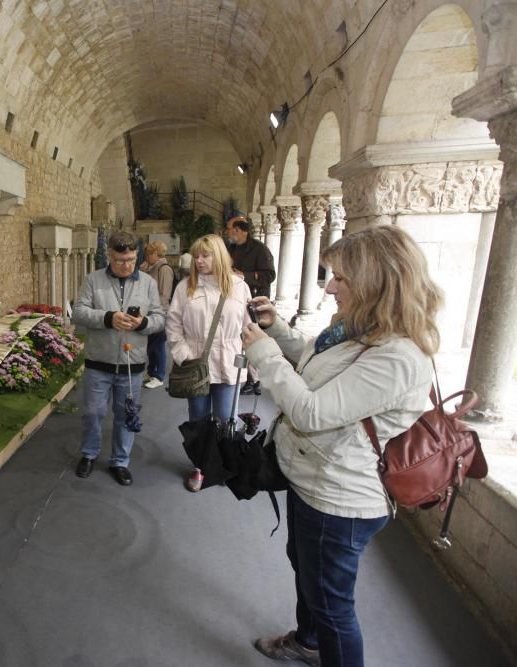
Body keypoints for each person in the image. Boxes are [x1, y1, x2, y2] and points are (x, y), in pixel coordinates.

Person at [242, 225, 441, 667]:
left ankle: (319, 642)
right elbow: (316, 368)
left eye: (341, 278)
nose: (329, 286)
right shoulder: (358, 330)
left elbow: (311, 411)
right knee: (306, 569)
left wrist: (263, 354)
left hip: (340, 499)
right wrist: (277, 332)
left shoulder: (398, 356)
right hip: (314, 480)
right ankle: (308, 642)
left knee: (334, 607)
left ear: (376, 283)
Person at [72, 230, 165, 486]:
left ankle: (120, 461)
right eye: (120, 260)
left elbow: (159, 318)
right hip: (97, 362)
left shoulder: (148, 283)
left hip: (131, 364)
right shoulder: (93, 279)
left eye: (131, 260)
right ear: (109, 256)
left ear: (137, 256)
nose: (126, 266)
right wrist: (107, 318)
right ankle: (89, 454)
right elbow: (78, 312)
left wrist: (143, 322)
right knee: (92, 413)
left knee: (125, 415)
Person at [165, 234, 252, 426]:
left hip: (229, 362)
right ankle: (202, 457)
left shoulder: (240, 287)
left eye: (205, 256)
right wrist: (184, 354)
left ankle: (224, 457)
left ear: (219, 256)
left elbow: (248, 327)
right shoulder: (185, 287)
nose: (199, 261)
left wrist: (253, 363)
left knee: (226, 420)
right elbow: (173, 324)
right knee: (198, 421)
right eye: (196, 256)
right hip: (196, 362)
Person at [226, 214, 275, 396]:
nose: (227, 232)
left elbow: (269, 276)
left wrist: (244, 276)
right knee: (238, 340)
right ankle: (246, 378)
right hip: (233, 300)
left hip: (253, 302)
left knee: (251, 340)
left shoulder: (260, 250)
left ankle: (255, 380)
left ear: (238, 230)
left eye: (229, 228)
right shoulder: (230, 249)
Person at [140, 240, 174, 389]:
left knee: (158, 345)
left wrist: (152, 308)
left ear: (155, 253)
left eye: (148, 254)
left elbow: (164, 294)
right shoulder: (150, 267)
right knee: (151, 344)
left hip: (160, 312)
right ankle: (151, 371)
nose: (146, 257)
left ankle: (159, 376)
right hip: (149, 312)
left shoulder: (164, 269)